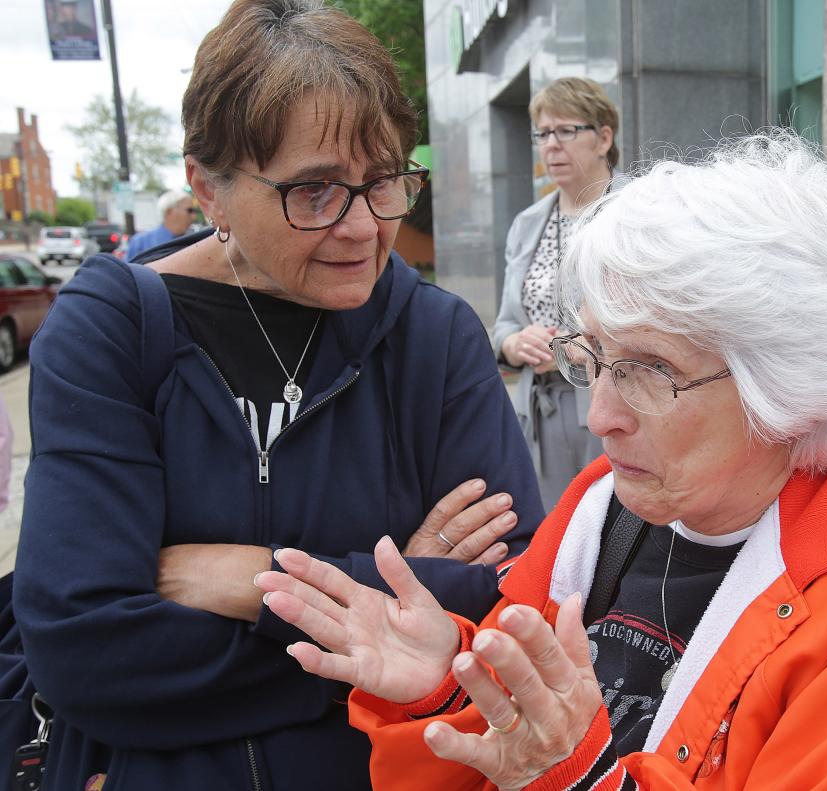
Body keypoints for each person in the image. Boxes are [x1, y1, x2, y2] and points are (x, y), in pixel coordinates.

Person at [257, 131, 827, 789]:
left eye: (652, 369)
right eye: (595, 357)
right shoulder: (599, 510)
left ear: (788, 387)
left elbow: (558, 761)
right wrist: (452, 681)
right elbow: (512, 743)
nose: (599, 418)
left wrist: (580, 773)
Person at [13, 2, 543, 789]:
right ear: (209, 189)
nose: (363, 227)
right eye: (316, 192)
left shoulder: (434, 337)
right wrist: (390, 621)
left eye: (385, 180)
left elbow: (516, 601)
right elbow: (86, 653)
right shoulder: (110, 335)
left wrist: (245, 576)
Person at [494, 77, 618, 511]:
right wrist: (513, 342)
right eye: (544, 134)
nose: (552, 145)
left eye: (566, 131)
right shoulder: (528, 223)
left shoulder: (635, 212)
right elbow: (505, 324)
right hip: (539, 412)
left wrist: (588, 346)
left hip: (613, 402)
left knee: (613, 525)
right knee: (551, 534)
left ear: (604, 138)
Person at [125, 189, 196, 262]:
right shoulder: (140, 243)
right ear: (169, 212)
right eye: (189, 211)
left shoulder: (195, 243)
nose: (194, 216)